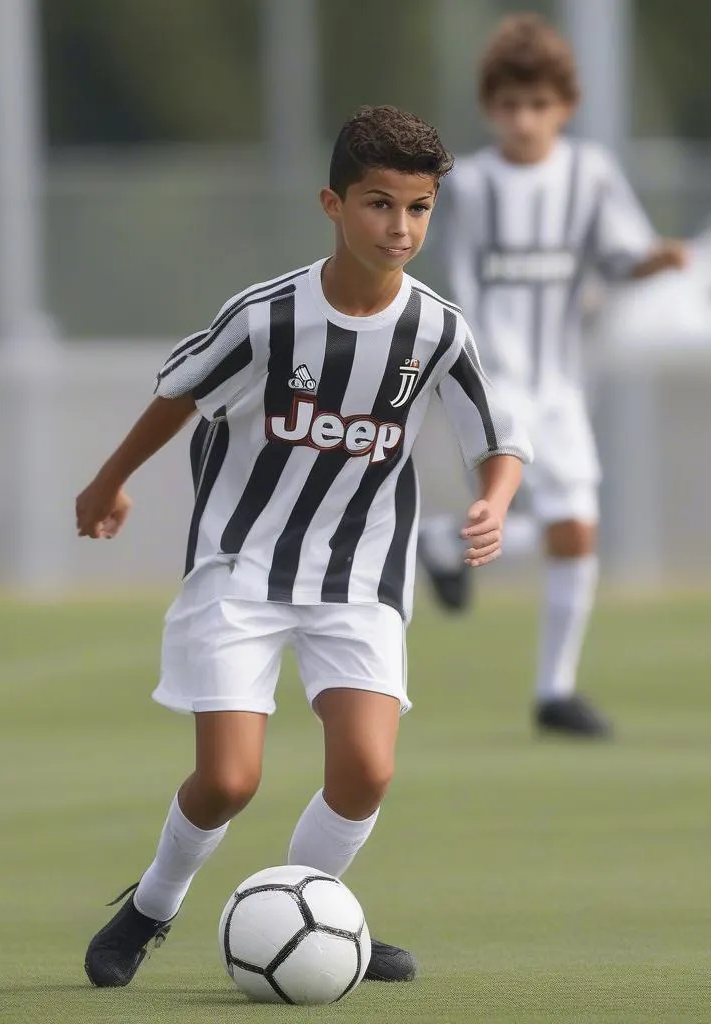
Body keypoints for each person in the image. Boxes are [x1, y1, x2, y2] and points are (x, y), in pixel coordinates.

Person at [74, 104, 532, 989]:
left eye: (419, 209)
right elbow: (178, 393)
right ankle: (152, 908)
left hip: (358, 572)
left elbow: (495, 437)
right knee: (229, 781)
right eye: (377, 204)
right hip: (238, 566)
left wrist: (496, 501)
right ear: (332, 203)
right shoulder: (265, 318)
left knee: (365, 770)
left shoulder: (438, 330)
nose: (399, 227)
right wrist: (109, 479)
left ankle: (314, 914)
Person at [417, 13, 689, 739]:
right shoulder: (470, 185)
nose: (524, 120)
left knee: (577, 530)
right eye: (509, 105)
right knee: (561, 517)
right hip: (497, 378)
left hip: (562, 381)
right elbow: (463, 279)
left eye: (538, 105)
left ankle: (548, 686)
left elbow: (620, 254)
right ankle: (549, 684)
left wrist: (654, 259)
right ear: (489, 108)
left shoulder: (589, 174)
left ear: (564, 107)